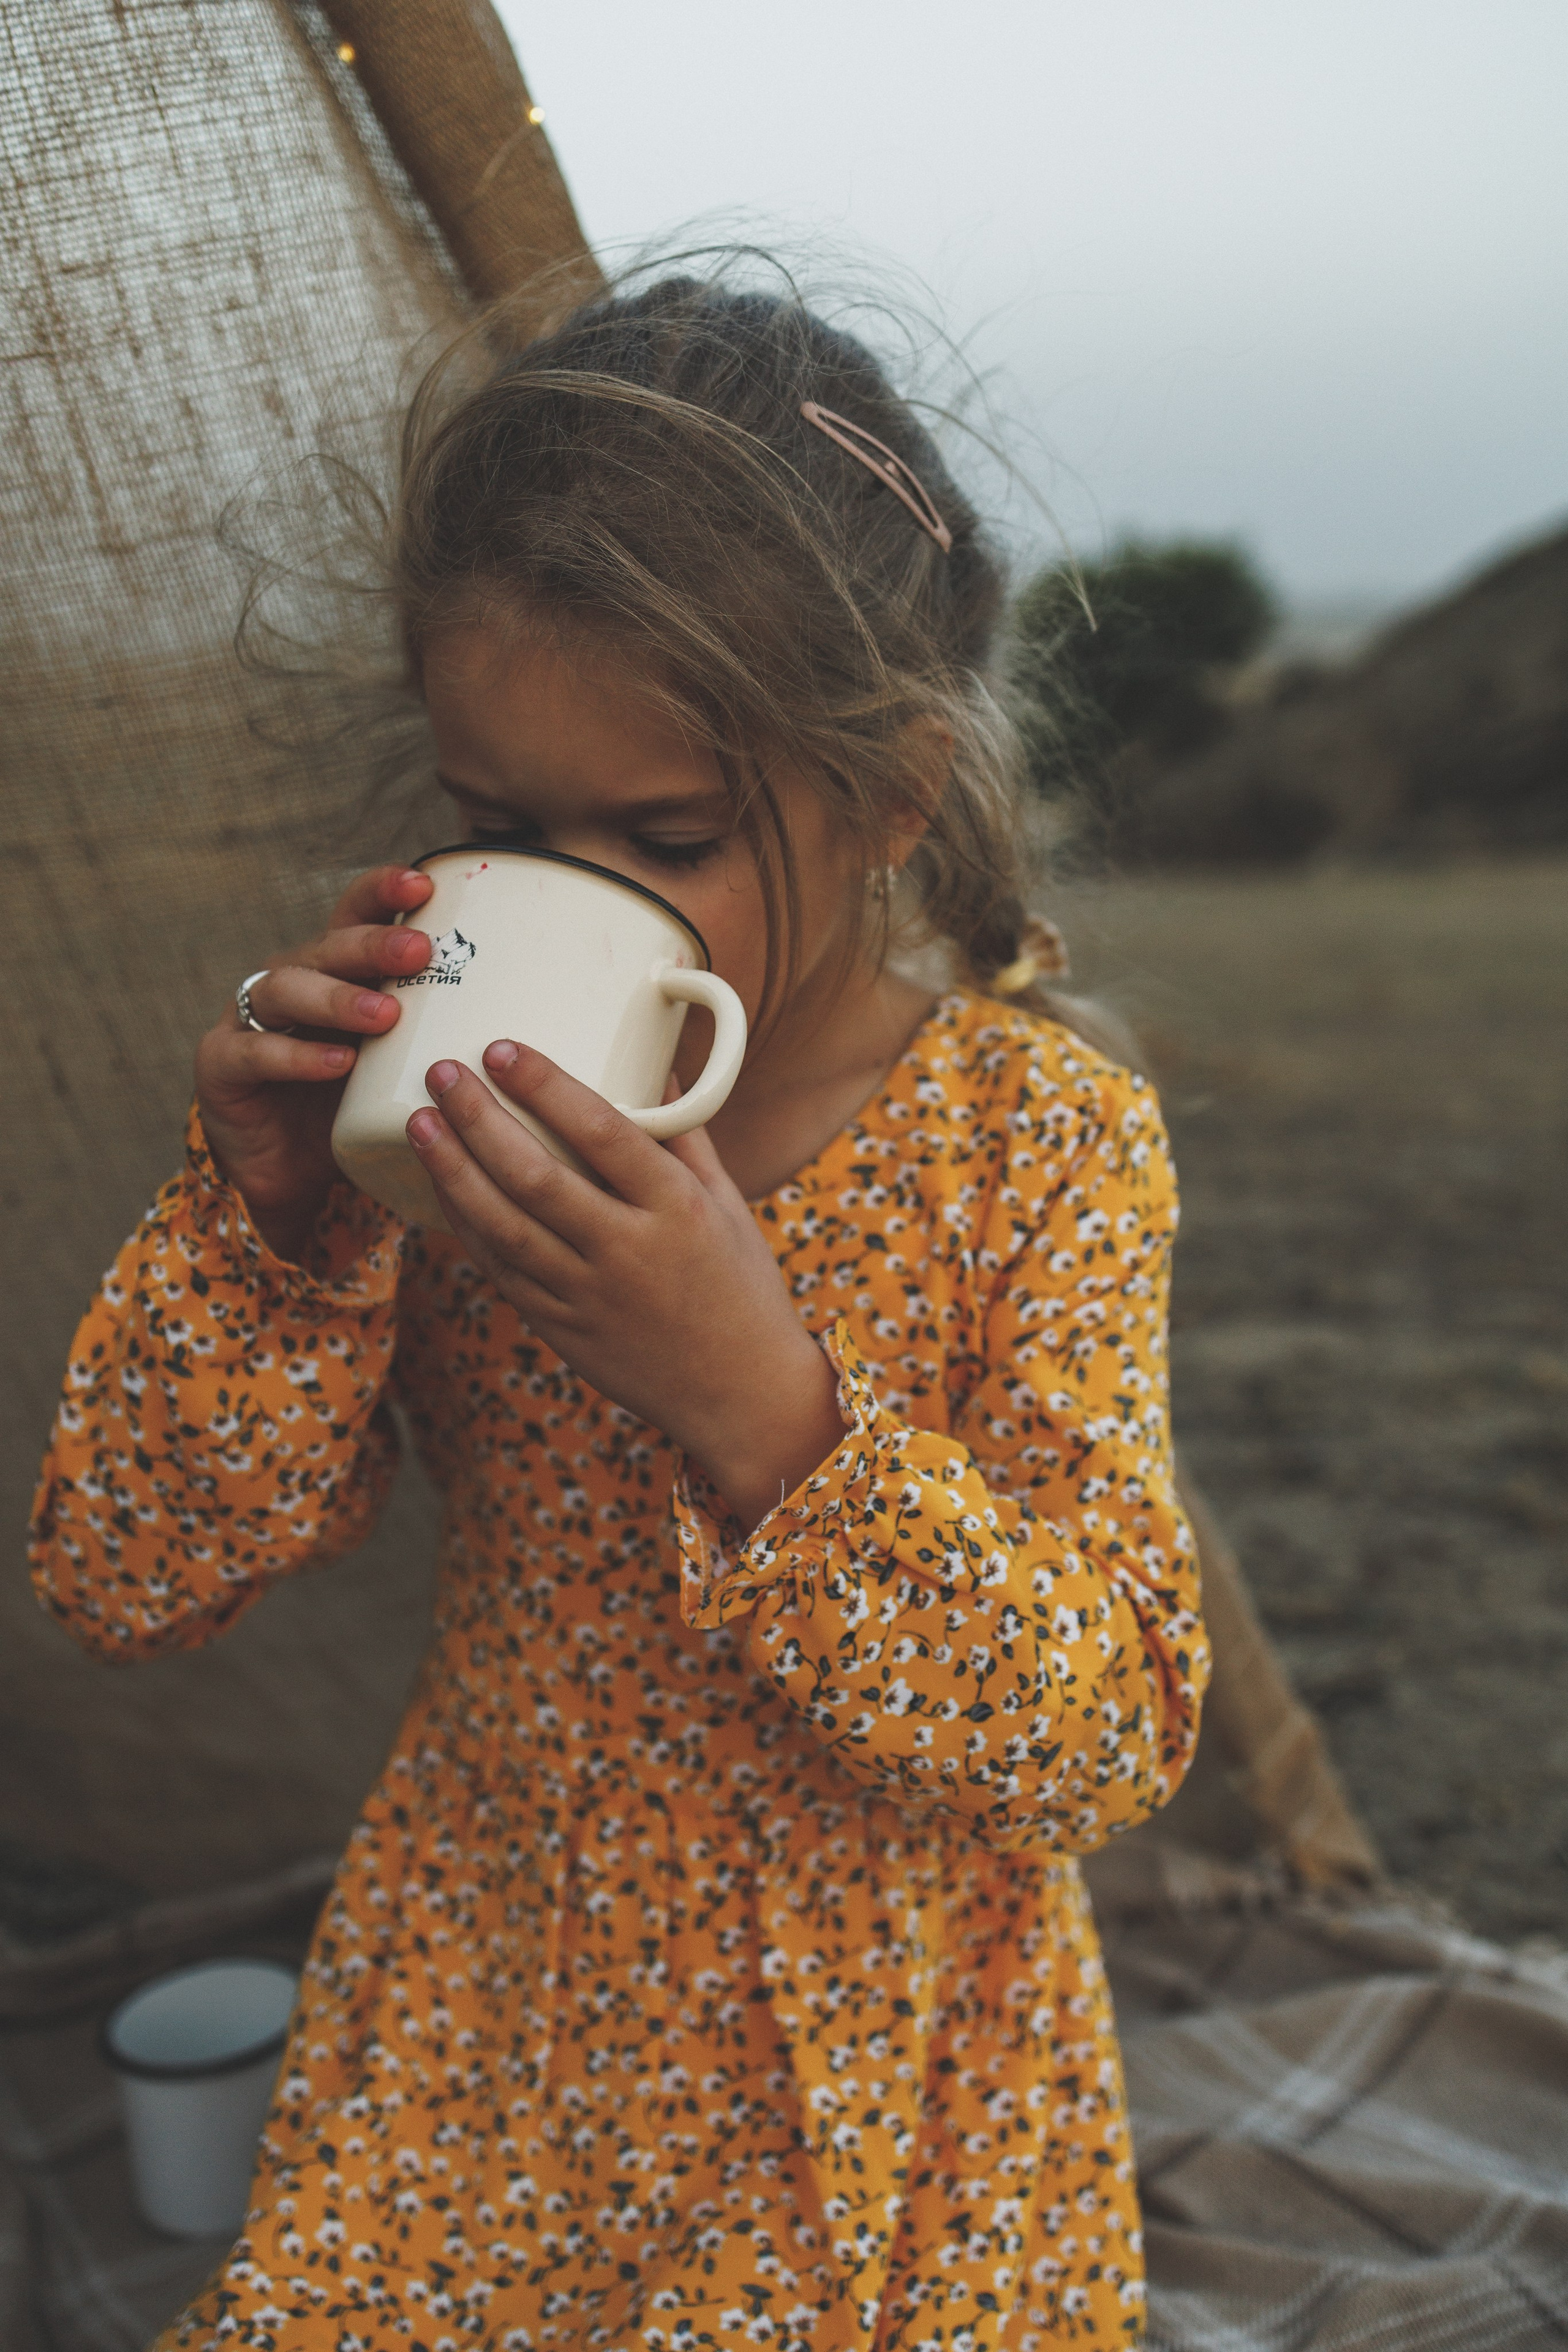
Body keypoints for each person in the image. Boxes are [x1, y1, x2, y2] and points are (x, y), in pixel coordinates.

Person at [30, 273, 1208, 2350]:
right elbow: (134, 1584)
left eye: (663, 839)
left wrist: (761, 1410)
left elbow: (1104, 1736)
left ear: (897, 798)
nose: (554, 895)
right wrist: (272, 1231)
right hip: (500, 2007)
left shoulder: (1042, 1143)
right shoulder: (438, 1138)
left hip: (899, 2079)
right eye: (495, 827)